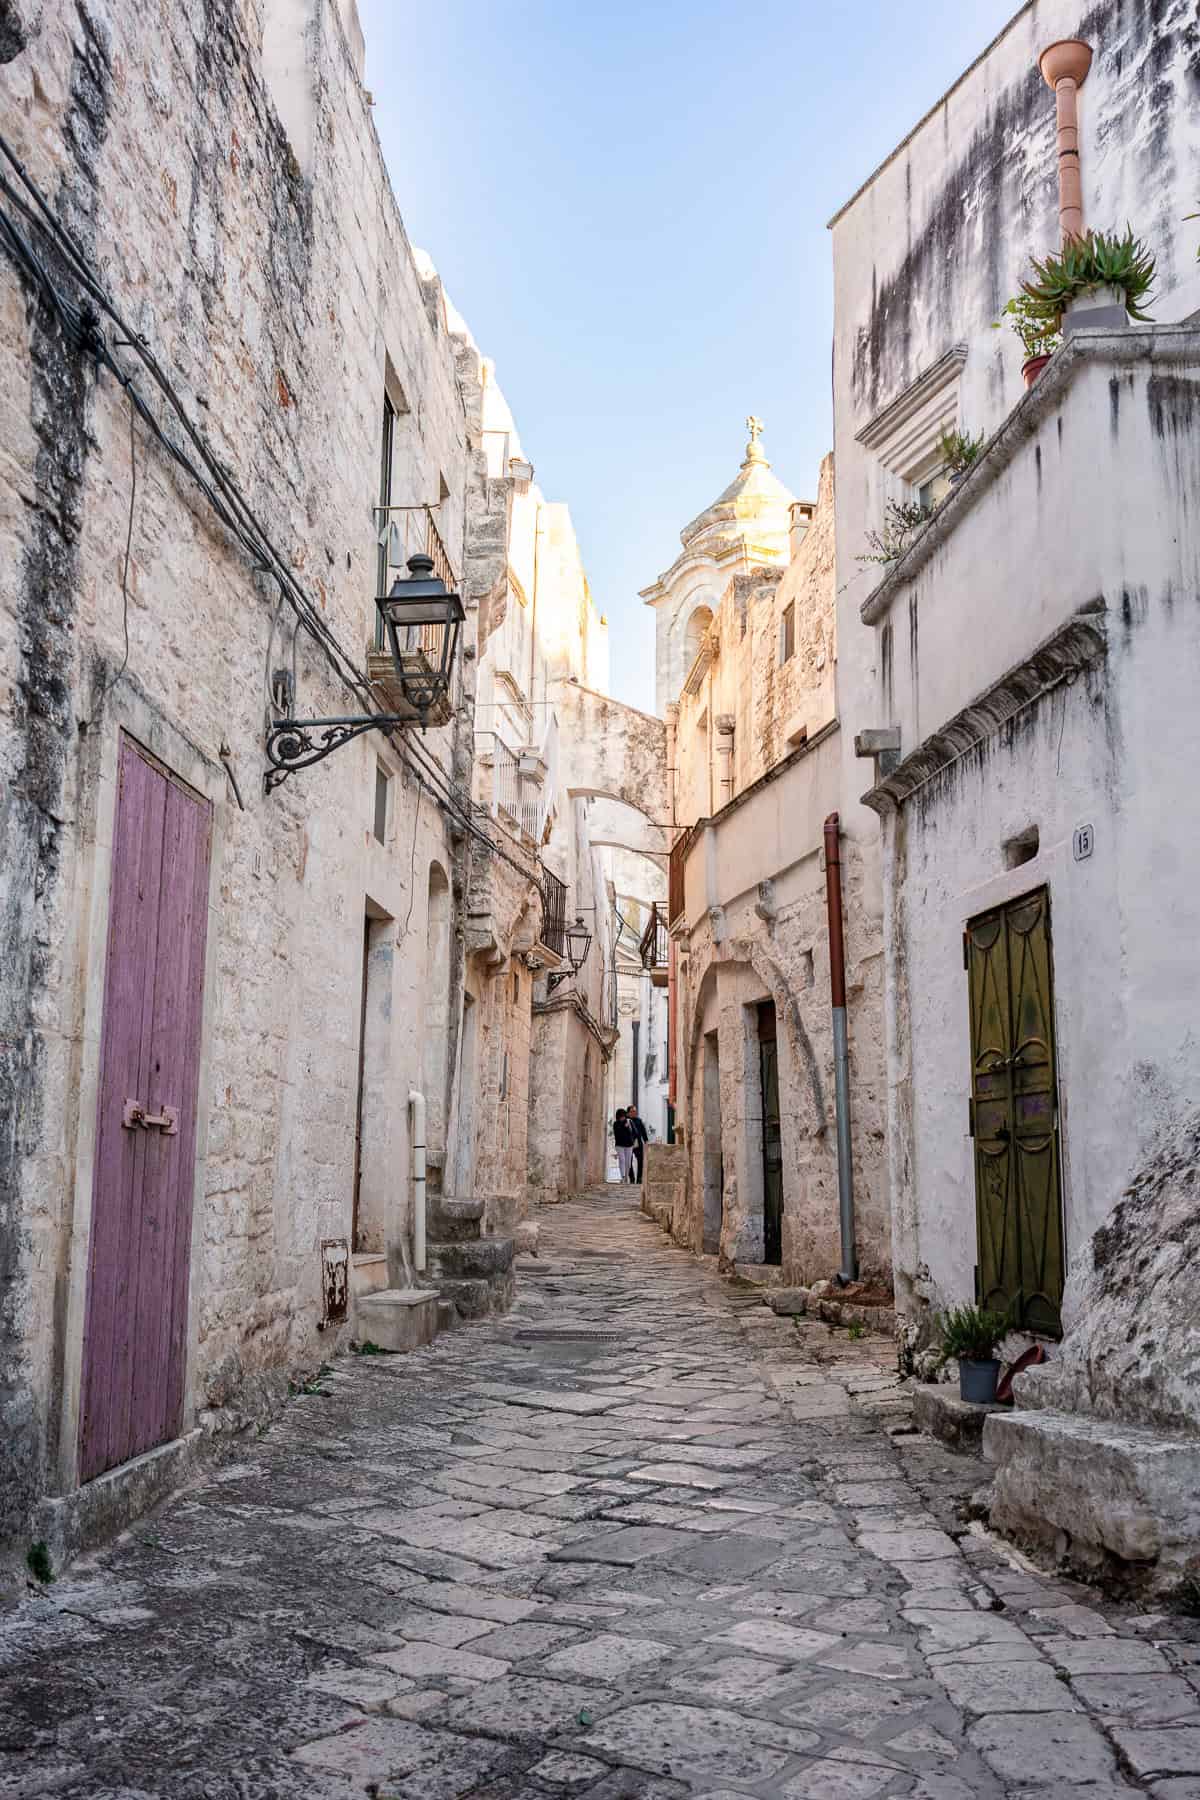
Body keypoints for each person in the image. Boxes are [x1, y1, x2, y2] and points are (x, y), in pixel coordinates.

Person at [612, 1108, 636, 1184]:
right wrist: (624, 1127)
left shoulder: (629, 1121)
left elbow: (634, 1132)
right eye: (621, 1116)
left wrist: (628, 1128)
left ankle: (626, 1177)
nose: (623, 1117)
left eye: (624, 1116)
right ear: (618, 1116)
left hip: (629, 1145)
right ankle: (622, 1177)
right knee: (622, 1160)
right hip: (619, 1145)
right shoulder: (616, 1124)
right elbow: (617, 1134)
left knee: (628, 1162)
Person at [627, 1105, 649, 1184]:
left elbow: (643, 1131)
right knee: (628, 1161)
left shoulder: (639, 1120)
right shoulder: (626, 1121)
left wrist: (646, 1141)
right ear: (628, 1112)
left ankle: (639, 1178)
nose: (634, 1113)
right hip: (628, 1143)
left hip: (638, 1143)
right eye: (633, 1111)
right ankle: (632, 1178)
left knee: (641, 1161)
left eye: (635, 1111)